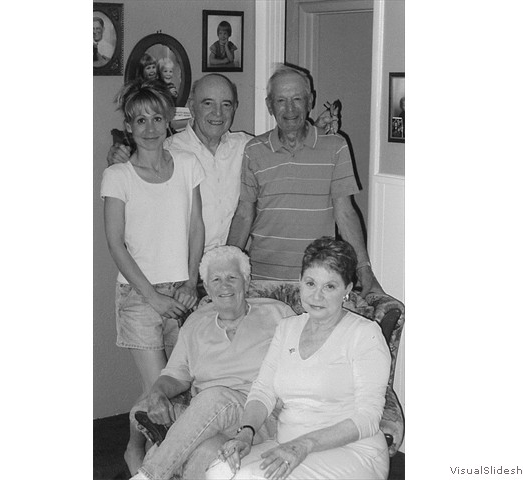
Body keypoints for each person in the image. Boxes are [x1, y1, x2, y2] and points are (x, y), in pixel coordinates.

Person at [209, 237, 391, 480]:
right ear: (300, 282)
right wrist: (246, 433)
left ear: (347, 291)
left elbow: (368, 418)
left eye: (330, 286)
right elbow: (263, 391)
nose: (317, 296)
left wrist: (304, 445)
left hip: (351, 451)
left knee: (250, 477)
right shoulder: (287, 328)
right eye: (310, 283)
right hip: (289, 446)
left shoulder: (364, 334)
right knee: (219, 471)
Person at [108, 74, 339, 255]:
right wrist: (117, 159)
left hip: (235, 269)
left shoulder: (248, 147)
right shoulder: (167, 150)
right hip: (183, 270)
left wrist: (314, 130)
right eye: (208, 103)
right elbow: (134, 188)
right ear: (191, 105)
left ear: (235, 107)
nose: (217, 113)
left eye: (226, 105)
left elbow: (286, 153)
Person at [100, 79, 205, 474]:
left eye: (156, 118)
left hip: (182, 291)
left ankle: (134, 449)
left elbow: (196, 227)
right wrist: (153, 297)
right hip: (138, 296)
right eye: (139, 120)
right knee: (157, 389)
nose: (148, 127)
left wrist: (191, 280)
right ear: (128, 126)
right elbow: (115, 244)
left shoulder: (188, 166)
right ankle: (166, 467)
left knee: (181, 387)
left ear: (168, 123)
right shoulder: (118, 175)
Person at [129, 246, 295, 479]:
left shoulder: (278, 314)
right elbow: (175, 375)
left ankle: (147, 476)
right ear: (206, 287)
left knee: (213, 399)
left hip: (261, 415)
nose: (224, 286)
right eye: (215, 279)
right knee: (205, 450)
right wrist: (157, 393)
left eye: (232, 278)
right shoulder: (196, 322)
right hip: (208, 420)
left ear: (246, 282)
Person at [226, 64, 385, 299]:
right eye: (281, 101)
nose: (290, 109)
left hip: (319, 279)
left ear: (310, 101)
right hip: (263, 280)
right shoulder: (254, 150)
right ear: (270, 105)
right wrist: (226, 265)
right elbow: (244, 214)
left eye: (297, 99)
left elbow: (345, 214)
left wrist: (365, 271)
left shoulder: (336, 146)